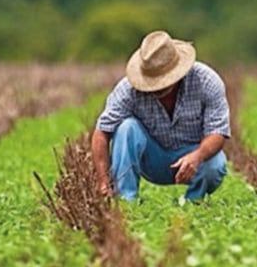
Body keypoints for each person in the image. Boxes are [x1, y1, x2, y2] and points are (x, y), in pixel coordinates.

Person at [92, 30, 230, 202]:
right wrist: (103, 181)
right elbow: (101, 132)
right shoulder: (128, 89)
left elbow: (217, 132)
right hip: (152, 159)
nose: (158, 88)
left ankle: (193, 203)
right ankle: (125, 201)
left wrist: (197, 156)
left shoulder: (207, 81)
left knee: (215, 164)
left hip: (193, 155)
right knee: (127, 128)